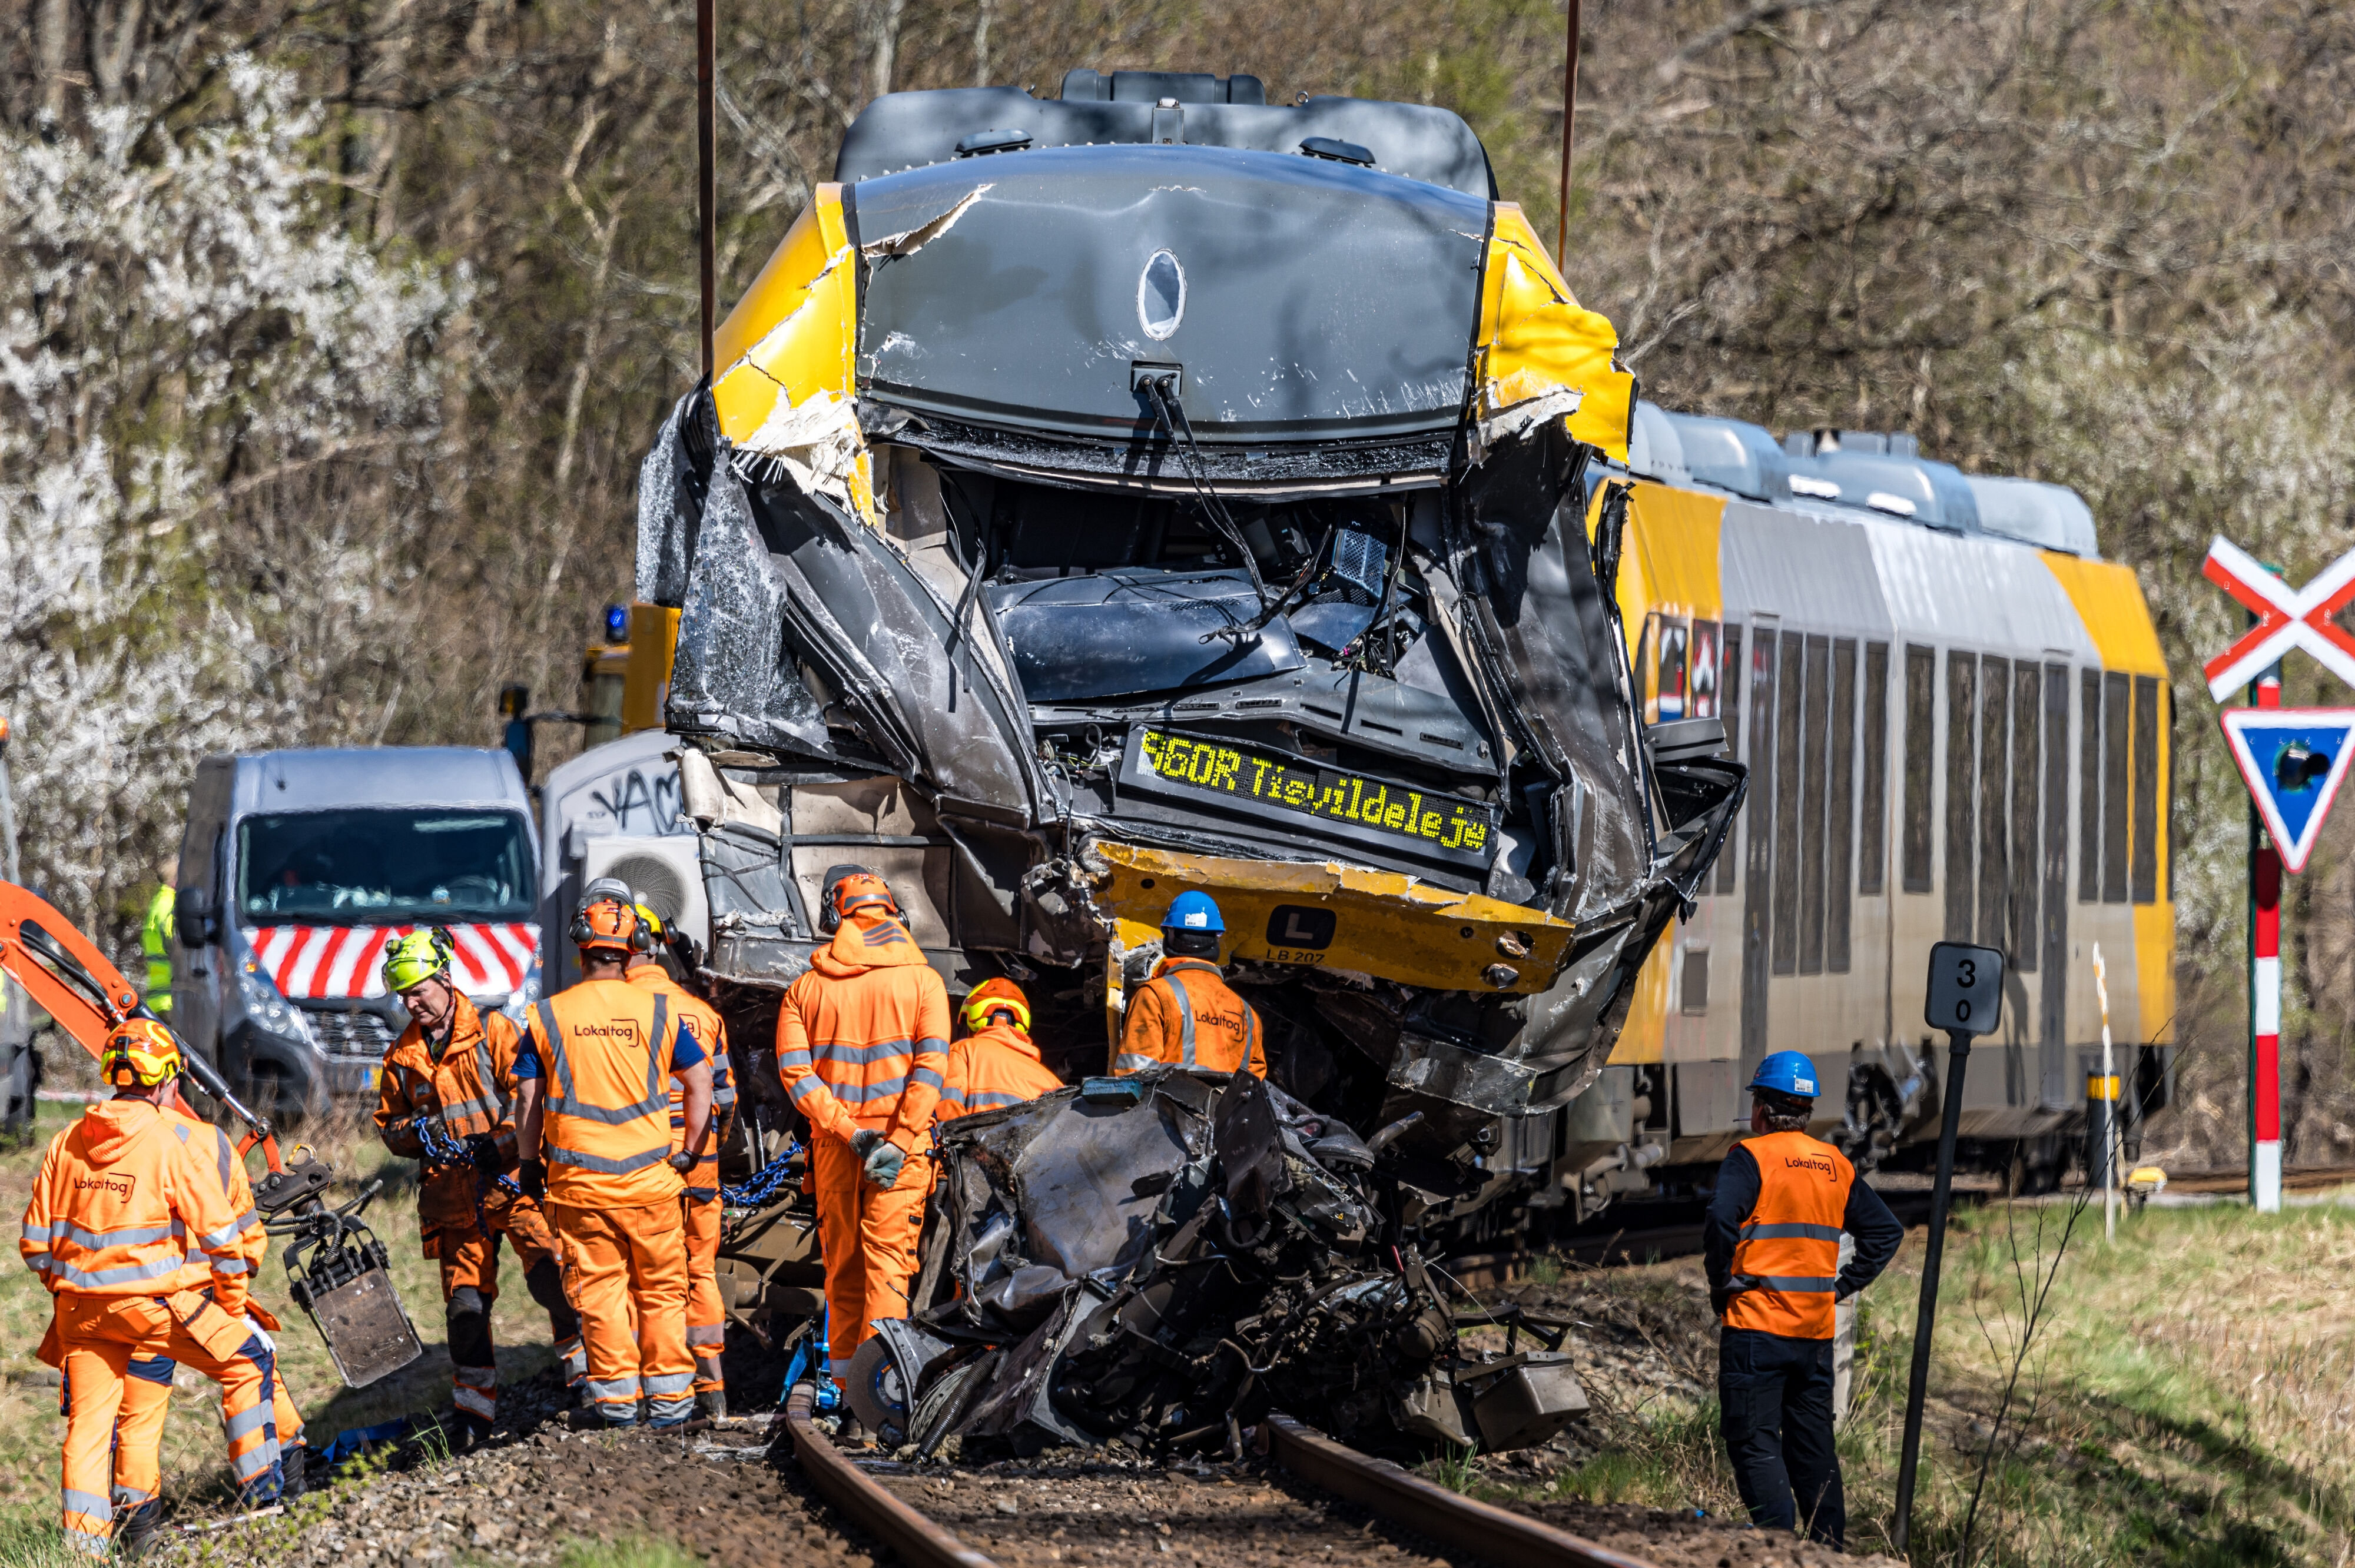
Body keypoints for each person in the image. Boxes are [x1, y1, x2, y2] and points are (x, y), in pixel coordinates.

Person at [19, 1019, 280, 1557]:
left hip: (78, 1312)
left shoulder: (67, 1140)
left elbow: (35, 1244)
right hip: (153, 1306)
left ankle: (86, 1551)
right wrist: (230, 1307)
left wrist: (71, 1287)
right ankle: (266, 1505)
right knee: (249, 1359)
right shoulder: (170, 1141)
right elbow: (223, 1242)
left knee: (89, 1430)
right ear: (166, 1083)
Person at [514, 881, 712, 1429]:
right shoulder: (658, 1011)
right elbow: (699, 1080)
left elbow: (528, 1098)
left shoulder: (548, 1017)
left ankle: (619, 1405)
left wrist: (531, 1165)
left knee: (600, 1294)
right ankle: (673, 1401)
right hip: (652, 1185)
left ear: (579, 943)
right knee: (663, 1290)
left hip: (581, 1191)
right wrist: (689, 1152)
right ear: (634, 947)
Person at [373, 928, 583, 1443]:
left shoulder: (494, 1032)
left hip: (512, 1185)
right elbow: (389, 1125)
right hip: (453, 1199)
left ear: (444, 978)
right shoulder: (401, 1058)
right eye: (403, 995)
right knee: (465, 1310)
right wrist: (413, 1133)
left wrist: (505, 1143)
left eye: (419, 990)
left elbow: (530, 1097)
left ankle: (585, 1376)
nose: (411, 1003)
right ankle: (473, 1417)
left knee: (551, 1278)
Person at [1704, 1051, 1903, 1549]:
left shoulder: (1750, 1157)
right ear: (1806, 1111)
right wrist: (1840, 1288)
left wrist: (1721, 1281)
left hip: (1756, 1331)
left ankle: (1777, 1547)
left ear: (1761, 1111)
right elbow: (1884, 1232)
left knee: (1754, 1441)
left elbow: (1719, 1220)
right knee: (1814, 1451)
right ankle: (1828, 1554)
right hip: (1813, 1338)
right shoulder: (1834, 1164)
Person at [774, 868, 948, 1416]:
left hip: (837, 1148)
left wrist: (852, 1134)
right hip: (901, 1153)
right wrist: (896, 1141)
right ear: (891, 911)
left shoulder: (805, 989)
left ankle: (849, 1392)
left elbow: (798, 1078)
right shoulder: (924, 983)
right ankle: (879, 1405)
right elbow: (931, 1069)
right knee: (888, 1270)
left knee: (843, 1270)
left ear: (835, 915)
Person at [109, 1067, 311, 1526]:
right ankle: (273, 1490)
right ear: (172, 1083)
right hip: (199, 1297)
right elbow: (243, 1232)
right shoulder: (206, 1141)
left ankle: (136, 1530)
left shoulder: (91, 1143)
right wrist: (235, 1290)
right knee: (254, 1364)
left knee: (137, 1410)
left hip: (127, 1304)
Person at [625, 903, 737, 1419]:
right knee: (699, 1268)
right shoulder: (705, 1015)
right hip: (700, 1160)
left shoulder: (615, 1012)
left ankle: (648, 1390)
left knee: (640, 1273)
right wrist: (708, 1145)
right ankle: (711, 1387)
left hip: (640, 1161)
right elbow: (725, 1097)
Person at [1113, 891, 1265, 1076]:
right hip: (1226, 1106)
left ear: (1170, 934)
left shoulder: (1156, 995)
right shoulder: (1247, 1014)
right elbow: (1253, 1086)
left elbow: (1134, 1074)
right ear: (1215, 939)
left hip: (1166, 1105)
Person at [938, 978, 1063, 1119]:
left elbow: (945, 1112)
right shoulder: (1052, 1081)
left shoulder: (963, 1052)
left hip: (981, 1140)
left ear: (969, 1020)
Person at [140, 857, 175, 1016]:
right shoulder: (170, 906)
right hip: (171, 999)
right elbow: (177, 945)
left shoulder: (159, 903)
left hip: (159, 998)